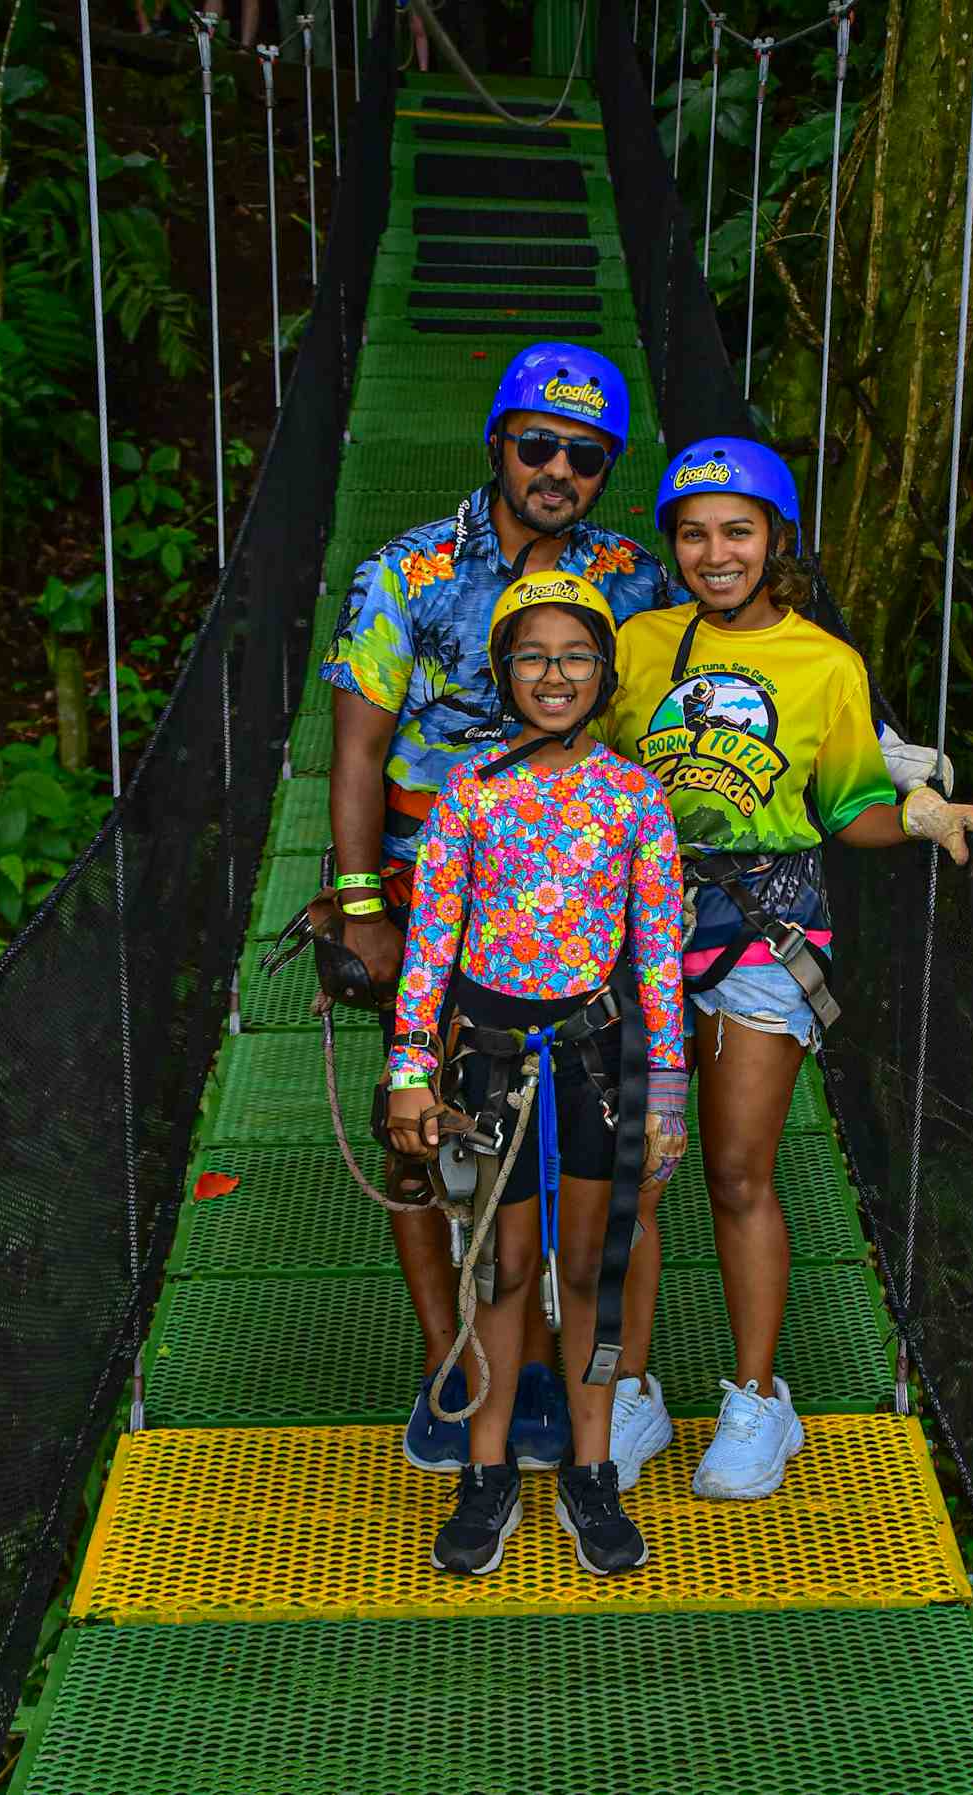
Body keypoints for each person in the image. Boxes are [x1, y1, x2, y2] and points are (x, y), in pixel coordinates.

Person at [601, 437, 973, 1500]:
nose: (715, 553)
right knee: (633, 1173)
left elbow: (850, 804)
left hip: (764, 929)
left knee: (737, 1168)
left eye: (737, 531)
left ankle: (757, 1399)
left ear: (774, 539)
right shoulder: (637, 645)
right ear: (673, 546)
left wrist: (920, 815)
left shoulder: (826, 663)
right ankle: (627, 1392)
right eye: (694, 534)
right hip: (642, 931)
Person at [318, 342, 674, 1477]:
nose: (557, 470)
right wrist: (362, 904)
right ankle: (457, 1365)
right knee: (422, 1133)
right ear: (496, 445)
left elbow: (731, 671)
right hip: (431, 888)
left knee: (573, 1138)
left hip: (573, 903)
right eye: (538, 445)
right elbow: (358, 751)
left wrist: (886, 767)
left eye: (586, 455)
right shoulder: (408, 572)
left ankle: (557, 1369)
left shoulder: (636, 579)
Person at [384, 573, 687, 1575]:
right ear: (504, 669)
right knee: (503, 1265)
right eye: (533, 657)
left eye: (576, 657)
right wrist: (412, 1067)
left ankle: (591, 1470)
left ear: (604, 673)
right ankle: (488, 1467)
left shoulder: (635, 795)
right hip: (496, 1063)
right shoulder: (469, 793)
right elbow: (431, 944)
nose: (555, 676)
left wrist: (667, 1090)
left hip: (596, 1060)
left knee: (591, 1264)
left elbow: (657, 953)